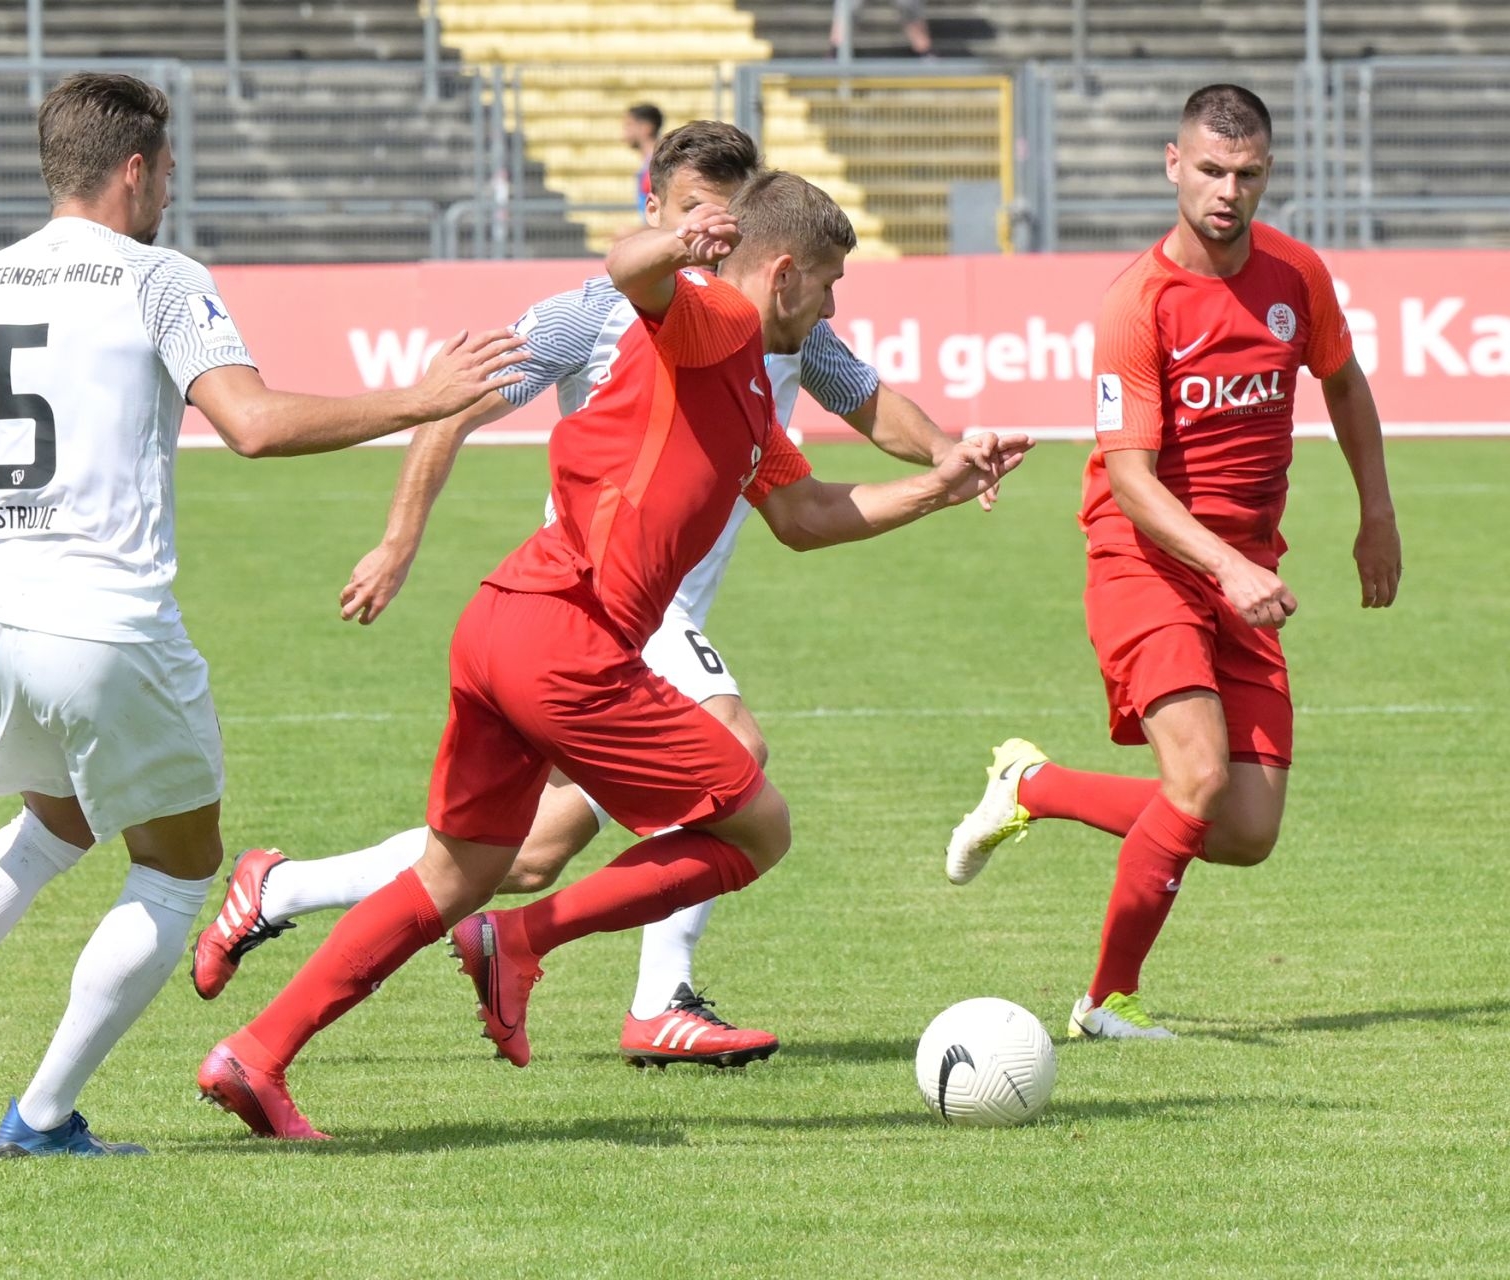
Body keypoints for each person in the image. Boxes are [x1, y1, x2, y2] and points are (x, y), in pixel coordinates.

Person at [0, 72, 524, 1160]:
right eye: (168, 170)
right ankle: (41, 1116)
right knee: (180, 866)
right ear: (134, 169)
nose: (172, 188)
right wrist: (420, 397)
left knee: (55, 823)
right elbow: (253, 424)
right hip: (105, 621)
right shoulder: (160, 279)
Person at [196, 169, 1032, 1140]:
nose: (834, 310)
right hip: (570, 640)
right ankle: (524, 942)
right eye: (830, 286)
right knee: (758, 826)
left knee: (456, 874)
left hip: (503, 620)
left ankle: (256, 1052)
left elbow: (805, 515)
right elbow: (629, 269)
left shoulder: (747, 389)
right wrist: (679, 245)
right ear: (785, 275)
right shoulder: (716, 319)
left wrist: (938, 483)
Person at [942, 84, 1402, 1040]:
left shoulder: (1296, 275)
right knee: (1196, 781)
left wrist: (1378, 514)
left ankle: (1035, 788)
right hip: (1143, 559)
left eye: (1248, 174)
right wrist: (1228, 568)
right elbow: (1132, 478)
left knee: (1246, 829)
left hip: (1245, 567)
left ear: (1267, 174)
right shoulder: (1137, 303)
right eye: (1211, 170)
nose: (1228, 192)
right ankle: (1106, 1000)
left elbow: (1345, 382)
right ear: (1173, 165)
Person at [625, 104, 664, 206]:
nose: (624, 132)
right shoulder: (648, 164)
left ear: (646, 128)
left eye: (629, 125)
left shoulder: (658, 165)